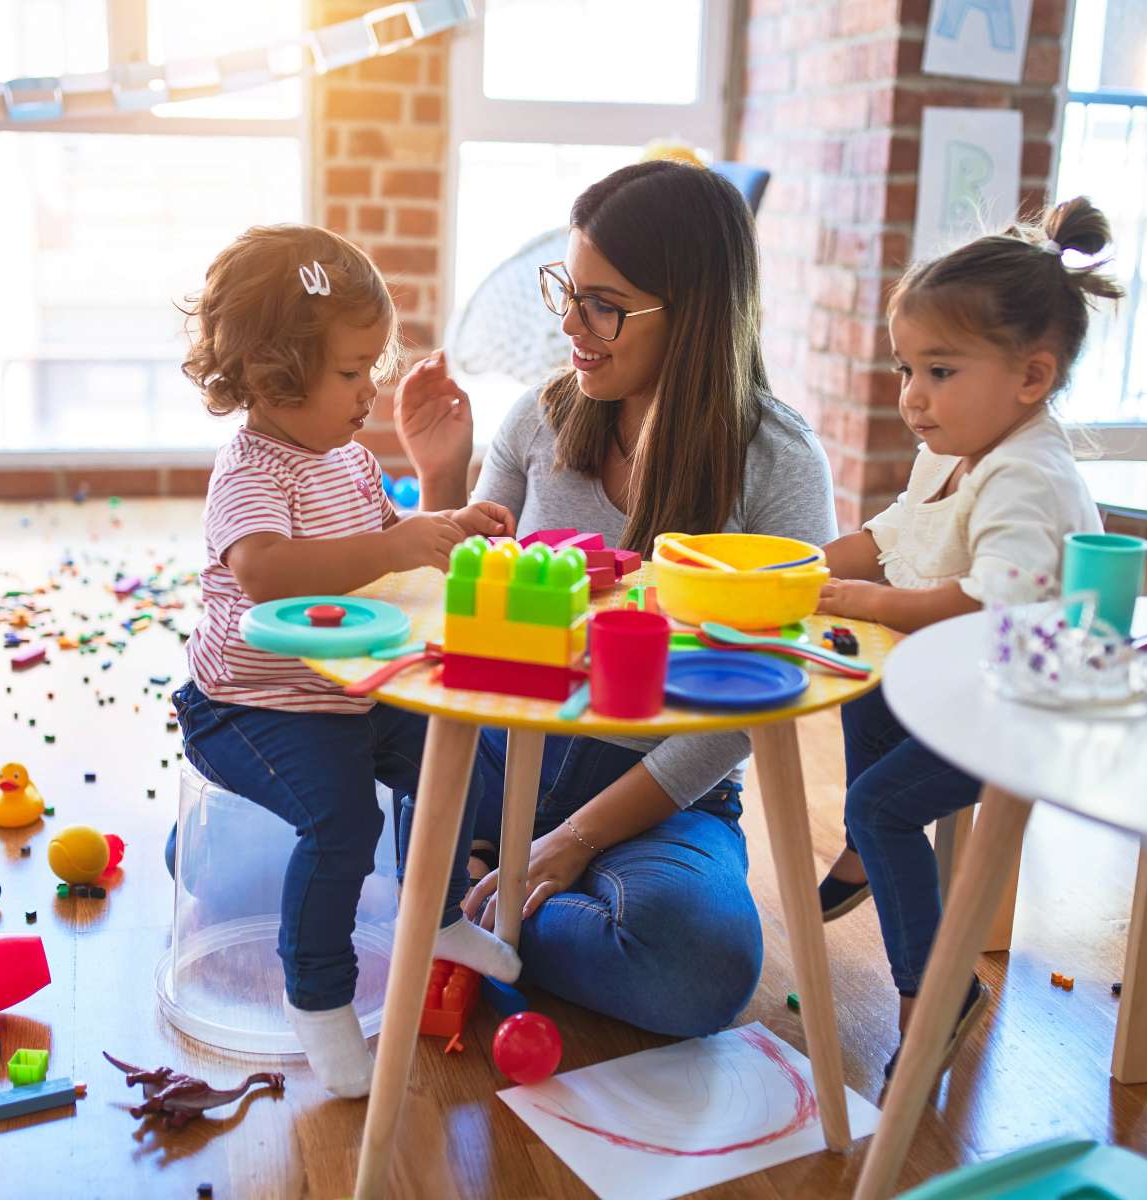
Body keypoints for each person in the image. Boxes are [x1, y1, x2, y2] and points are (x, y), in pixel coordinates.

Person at [392, 160, 838, 1036]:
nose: (570, 324)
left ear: (695, 308)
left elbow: (759, 700)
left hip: (661, 787)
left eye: (603, 303)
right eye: (569, 289)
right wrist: (440, 477)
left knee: (696, 970)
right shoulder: (538, 417)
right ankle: (479, 894)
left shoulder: (781, 462)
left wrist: (578, 836)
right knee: (255, 845)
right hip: (500, 749)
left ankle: (452, 911)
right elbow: (467, 611)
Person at [168, 224, 519, 1098]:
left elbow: (384, 565)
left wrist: (441, 534)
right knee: (343, 826)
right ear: (268, 374)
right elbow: (263, 571)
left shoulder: (350, 464)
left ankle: (434, 919)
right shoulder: (251, 467)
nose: (371, 390)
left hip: (345, 693)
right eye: (350, 372)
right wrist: (397, 540)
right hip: (247, 708)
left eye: (374, 366)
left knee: (457, 750)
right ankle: (317, 998)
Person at [812, 197, 1118, 1080]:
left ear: (1030, 377)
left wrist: (865, 600)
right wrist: (788, 571)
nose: (912, 398)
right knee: (860, 678)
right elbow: (893, 531)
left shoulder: (1028, 474)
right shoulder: (952, 447)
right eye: (906, 369)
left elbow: (989, 600)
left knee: (880, 804)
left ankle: (937, 991)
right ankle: (867, 852)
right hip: (971, 685)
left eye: (938, 372)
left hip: (1034, 706)